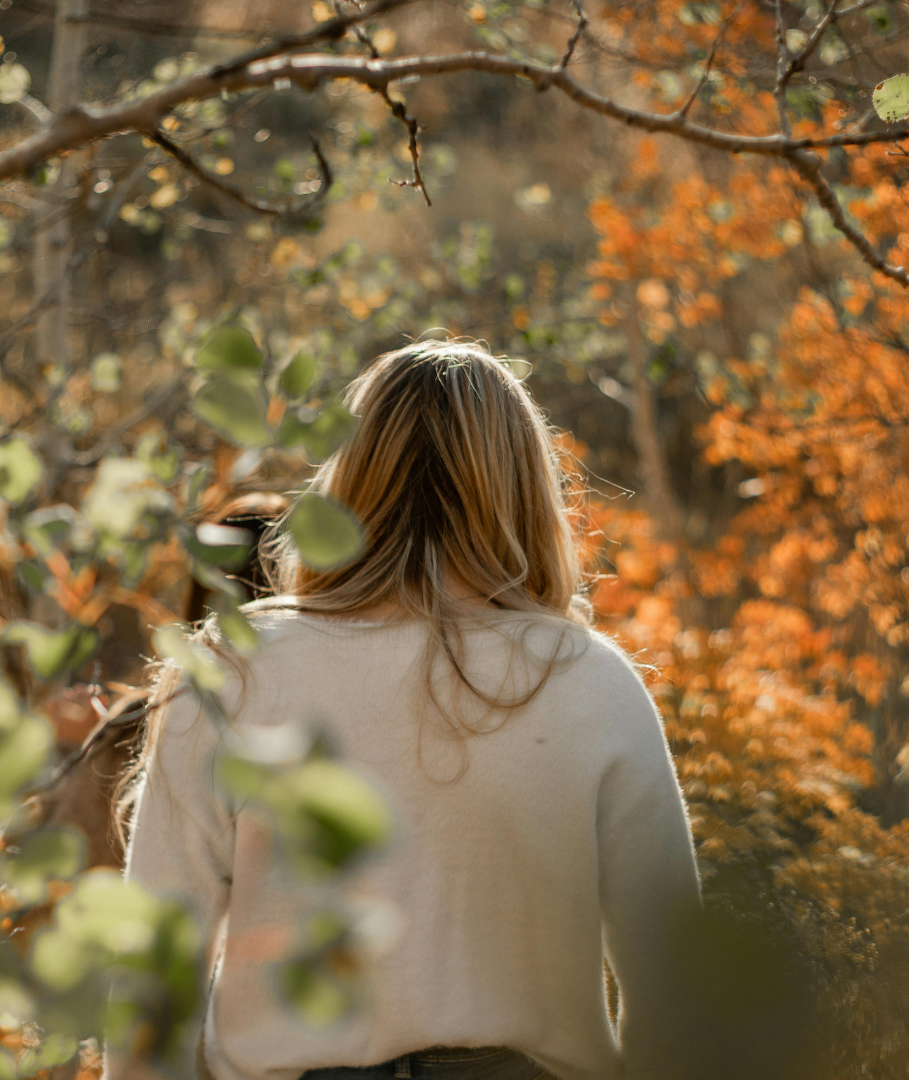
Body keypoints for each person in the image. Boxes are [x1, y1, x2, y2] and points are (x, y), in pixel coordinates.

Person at [120, 341, 702, 1080]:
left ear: (345, 480)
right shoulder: (591, 680)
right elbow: (674, 996)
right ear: (526, 487)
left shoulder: (228, 671)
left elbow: (153, 979)